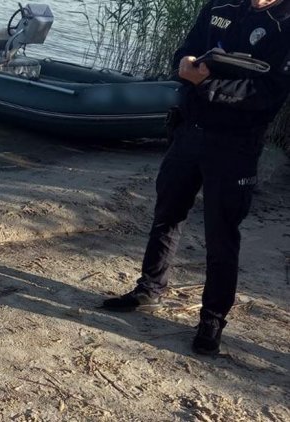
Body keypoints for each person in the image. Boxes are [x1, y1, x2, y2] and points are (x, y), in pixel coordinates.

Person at [102, 0, 290, 355]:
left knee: (221, 234)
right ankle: (149, 289)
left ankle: (212, 320)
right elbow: (186, 50)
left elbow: (270, 93)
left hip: (236, 146)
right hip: (190, 130)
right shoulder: (218, 5)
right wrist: (183, 64)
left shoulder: (285, 22)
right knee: (167, 214)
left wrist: (207, 84)